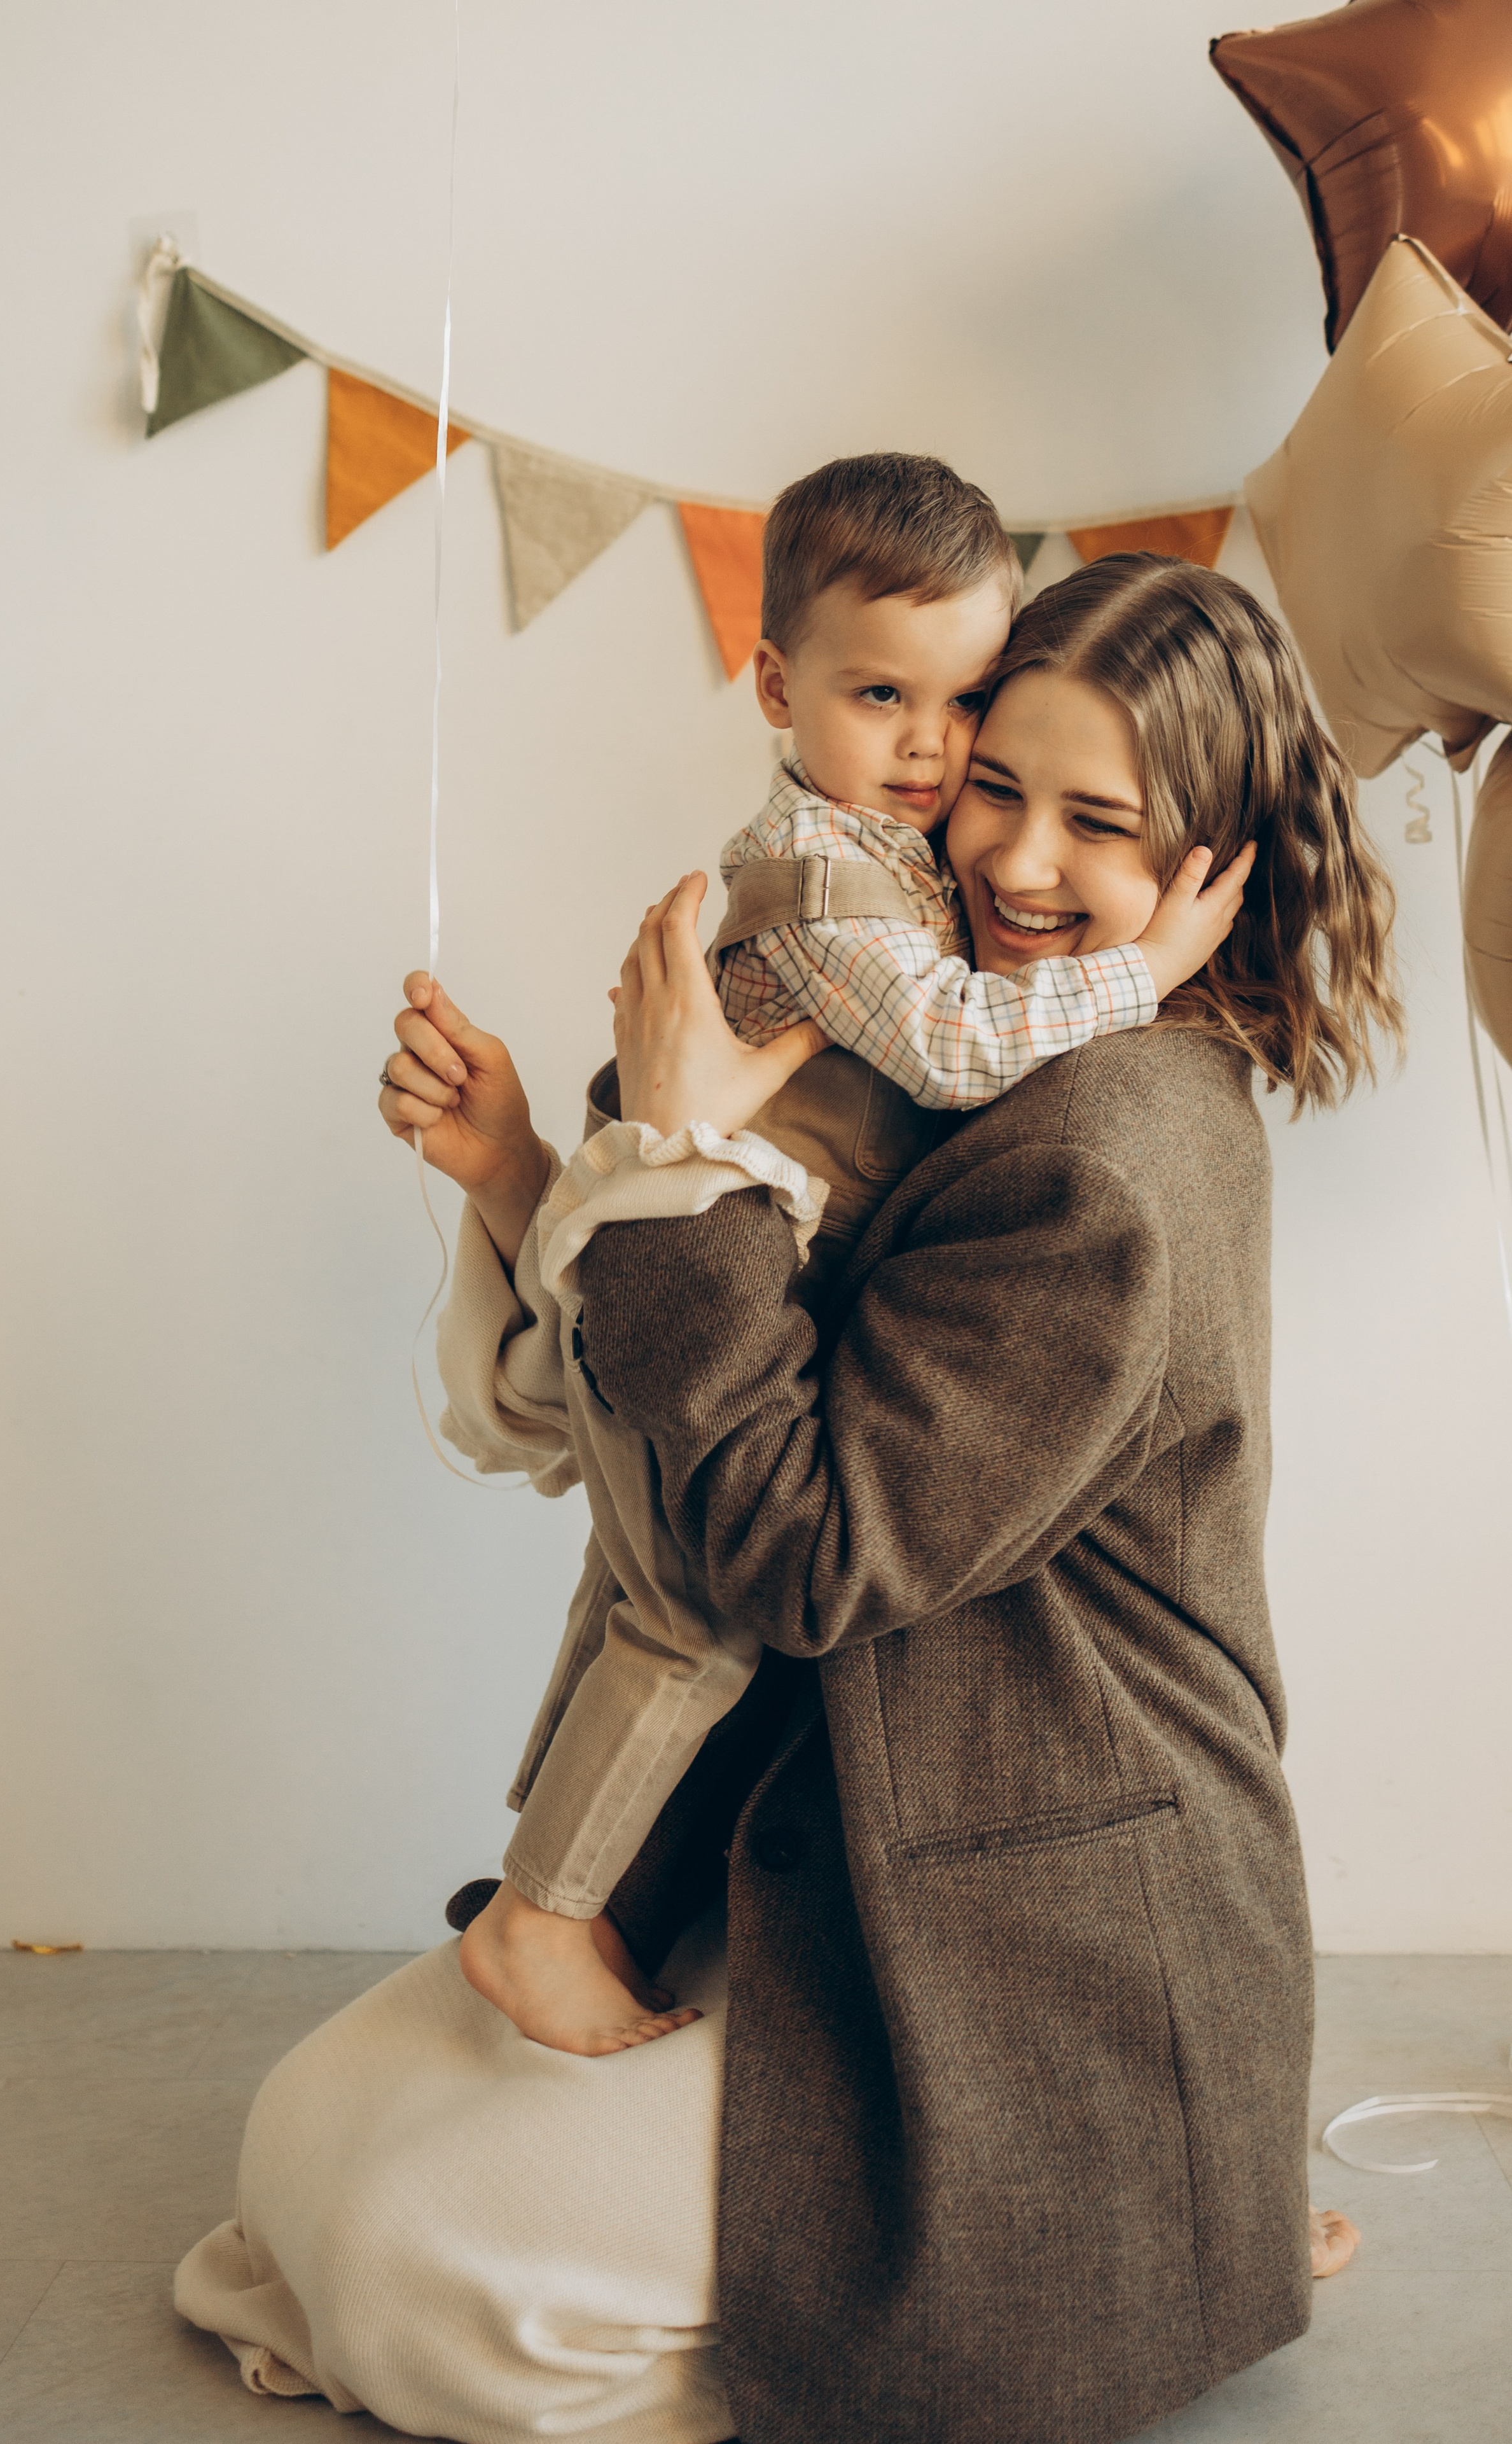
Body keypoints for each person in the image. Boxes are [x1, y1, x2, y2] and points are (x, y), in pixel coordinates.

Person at [177, 552, 1382, 2442]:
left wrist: (680, 1151)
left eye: (1104, 826)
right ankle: (1142, 2225)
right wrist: (526, 1168)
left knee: (409, 2256)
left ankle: (1124, 2241)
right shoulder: (945, 1047)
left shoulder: (1110, 1156)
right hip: (822, 1813)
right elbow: (668, 1394)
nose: (1021, 864)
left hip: (1028, 1892)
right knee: (302, 2142)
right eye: (1000, 784)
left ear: (1220, 864)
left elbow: (798, 1547)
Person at [431, 457, 1251, 2059]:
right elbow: (946, 1051)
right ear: (775, 686)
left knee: (644, 1600)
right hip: (661, 1274)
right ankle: (543, 1914)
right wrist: (1143, 964)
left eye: (964, 708)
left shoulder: (929, 899)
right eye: (891, 701)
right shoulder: (832, 889)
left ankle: (562, 1893)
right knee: (680, 1623)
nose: (942, 762)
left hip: (673, 1285)